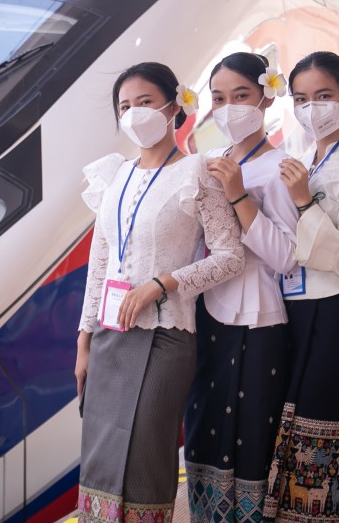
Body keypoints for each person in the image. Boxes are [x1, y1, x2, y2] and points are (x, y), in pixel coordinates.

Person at [75, 61, 247, 523]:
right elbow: (99, 265)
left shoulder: (197, 173)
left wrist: (162, 284)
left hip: (166, 336)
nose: (134, 113)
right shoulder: (113, 176)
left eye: (145, 102)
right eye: (124, 106)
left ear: (174, 106)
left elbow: (231, 256)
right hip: (109, 336)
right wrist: (84, 339)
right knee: (100, 457)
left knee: (146, 454)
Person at [263, 51, 339, 522]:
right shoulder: (303, 160)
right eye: (300, 99)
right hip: (292, 308)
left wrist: (302, 201)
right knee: (286, 432)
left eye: (323, 95)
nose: (311, 108)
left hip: (335, 311)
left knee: (322, 433)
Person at [185, 51, 298, 522]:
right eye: (218, 98)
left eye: (241, 95)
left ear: (266, 98)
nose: (228, 108)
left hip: (258, 319)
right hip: (206, 314)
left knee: (252, 435)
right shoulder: (207, 163)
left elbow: (286, 256)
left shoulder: (281, 167)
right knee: (204, 428)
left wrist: (237, 196)